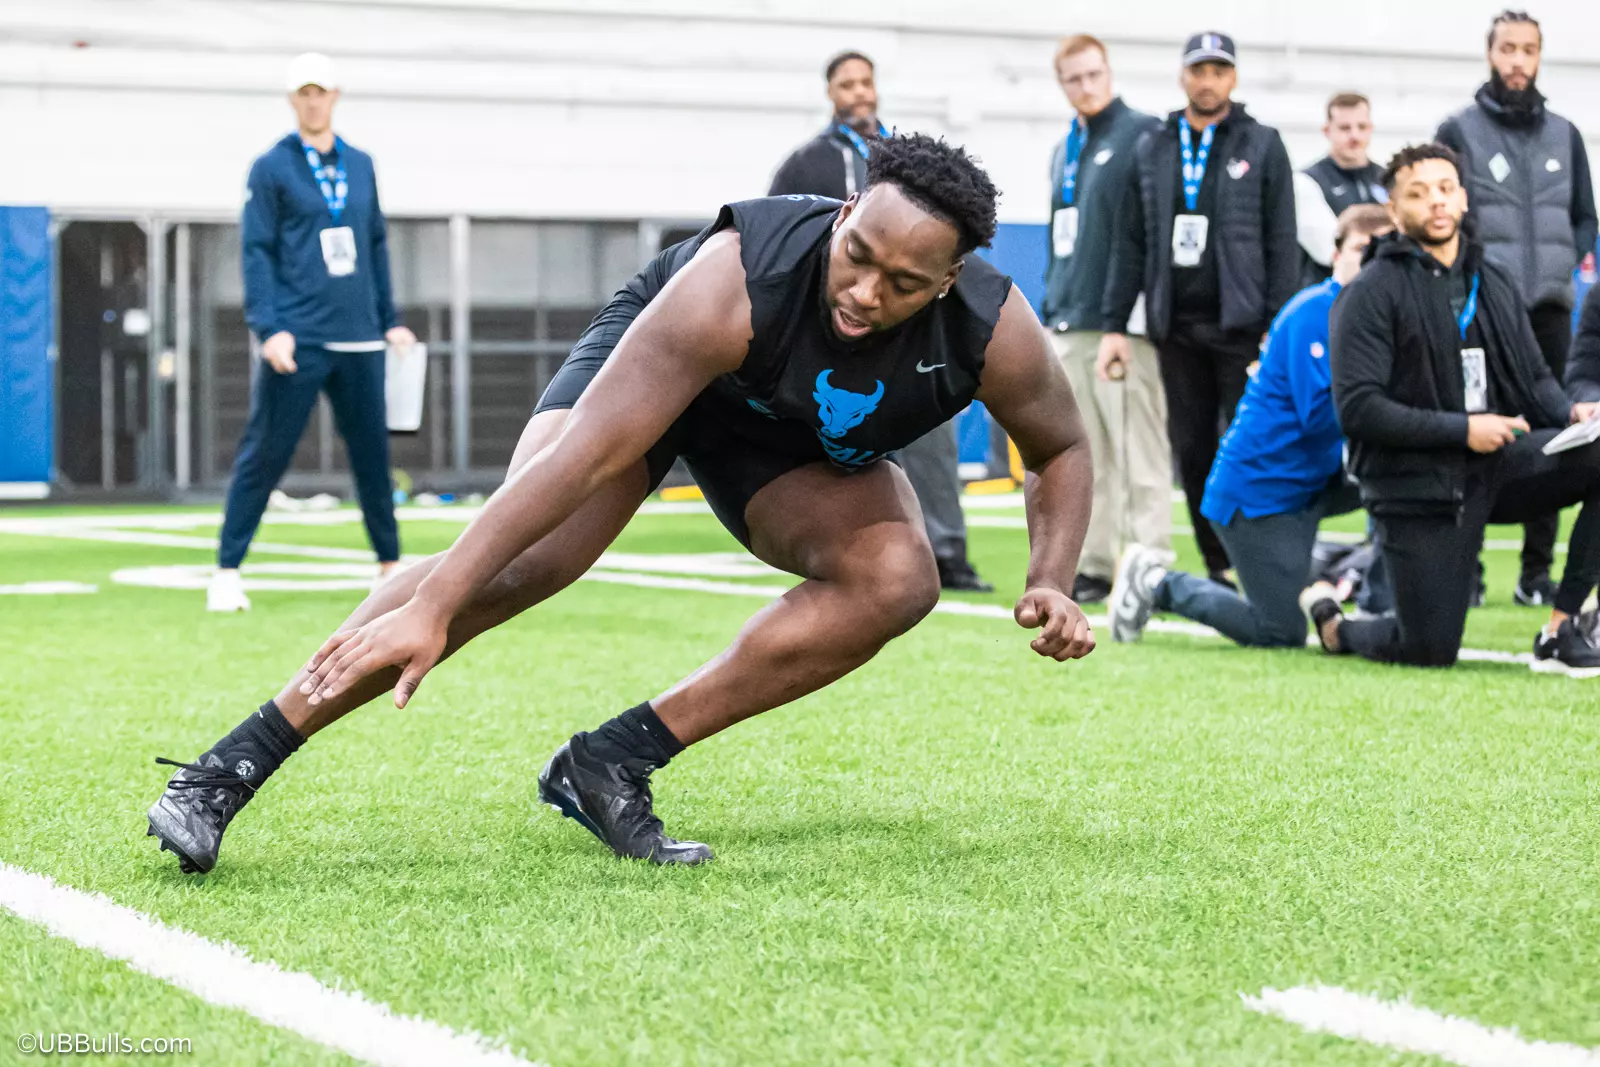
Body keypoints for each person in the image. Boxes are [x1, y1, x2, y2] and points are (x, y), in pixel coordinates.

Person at [146, 135, 1097, 874]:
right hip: (659, 375)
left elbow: (1060, 447)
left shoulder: (993, 329)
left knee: (897, 578)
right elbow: (585, 455)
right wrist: (435, 601)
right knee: (526, 561)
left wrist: (1051, 577)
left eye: (903, 284)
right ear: (846, 213)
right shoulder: (734, 282)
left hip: (780, 431)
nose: (864, 291)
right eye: (857, 255)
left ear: (951, 279)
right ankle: (230, 765)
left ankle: (611, 760)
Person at [1313, 143, 1600, 674]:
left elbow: (1535, 378)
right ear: (1394, 210)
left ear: (1464, 198)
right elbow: (1359, 409)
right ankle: (1337, 628)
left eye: (1446, 189)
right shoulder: (1369, 292)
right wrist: (1462, 429)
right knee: (1428, 650)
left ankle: (1562, 628)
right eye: (1418, 194)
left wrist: (1571, 414)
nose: (1437, 202)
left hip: (1492, 465)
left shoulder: (1492, 279)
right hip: (1413, 484)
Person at [1109, 205, 1395, 647]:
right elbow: (1322, 415)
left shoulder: (1370, 315)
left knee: (1404, 479)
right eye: (1363, 249)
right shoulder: (1313, 313)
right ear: (1336, 254)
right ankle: (1157, 582)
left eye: (1385, 252)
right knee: (1279, 631)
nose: (1373, 262)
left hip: (1309, 483)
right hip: (1261, 493)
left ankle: (1375, 596)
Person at [770, 50, 991, 591]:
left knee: (932, 435)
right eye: (847, 84)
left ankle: (947, 552)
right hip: (835, 328)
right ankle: (842, 554)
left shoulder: (910, 160)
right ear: (831, 94)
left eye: (866, 82)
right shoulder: (804, 164)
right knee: (833, 443)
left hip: (912, 328)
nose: (859, 93)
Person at [208, 53, 415, 613]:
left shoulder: (361, 164)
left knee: (372, 458)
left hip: (361, 337)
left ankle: (389, 569)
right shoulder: (271, 167)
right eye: (303, 92)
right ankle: (226, 571)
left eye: (320, 91)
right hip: (298, 339)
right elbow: (257, 251)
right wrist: (269, 327)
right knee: (266, 452)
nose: (313, 101)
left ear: (335, 96)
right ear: (292, 100)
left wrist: (391, 320)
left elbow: (375, 245)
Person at [1101, 31, 1299, 588]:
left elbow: (1281, 240)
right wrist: (1115, 325)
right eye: (1198, 70)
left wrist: (1278, 325)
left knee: (1250, 445)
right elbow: (1130, 241)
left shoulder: (1263, 143)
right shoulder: (1154, 145)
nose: (1208, 81)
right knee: (1193, 452)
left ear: (1233, 78)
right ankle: (1218, 563)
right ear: (1183, 76)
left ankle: (1260, 556)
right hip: (1176, 330)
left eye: (1218, 70)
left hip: (1244, 329)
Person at [1435, 9, 1599, 607]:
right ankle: (1468, 568)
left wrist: (1564, 265)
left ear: (1539, 56)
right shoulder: (1458, 130)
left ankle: (1536, 573)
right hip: (1483, 310)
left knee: (1558, 437)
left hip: (1551, 311)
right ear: (1490, 53)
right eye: (1508, 48)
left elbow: (1584, 217)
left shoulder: (1566, 134)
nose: (1518, 61)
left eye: (1528, 49)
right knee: (1479, 428)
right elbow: (1447, 217)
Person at [1043, 33, 1168, 606]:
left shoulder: (1144, 134)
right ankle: (1095, 563)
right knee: (1085, 454)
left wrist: (1128, 317)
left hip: (1123, 326)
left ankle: (1151, 565)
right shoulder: (1063, 149)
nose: (1086, 86)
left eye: (1094, 74)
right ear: (1062, 83)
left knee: (1138, 451)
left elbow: (1147, 235)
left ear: (1109, 72)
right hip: (1070, 320)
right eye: (1074, 78)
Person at [1296, 93, 1388, 287]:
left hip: (1383, 289)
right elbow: (1327, 248)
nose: (1355, 136)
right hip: (1332, 292)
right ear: (1327, 131)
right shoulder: (1306, 182)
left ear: (1371, 129)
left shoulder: (1388, 179)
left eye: (1362, 127)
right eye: (1345, 128)